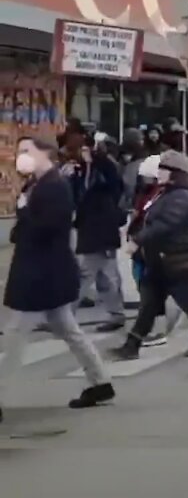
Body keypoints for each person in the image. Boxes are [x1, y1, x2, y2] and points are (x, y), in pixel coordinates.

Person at [1, 137, 116, 422]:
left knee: (14, 337)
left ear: (46, 154)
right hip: (43, 272)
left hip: (41, 275)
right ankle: (100, 383)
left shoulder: (55, 186)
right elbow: (24, 229)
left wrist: (25, 213)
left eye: (27, 151)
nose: (21, 156)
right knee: (69, 330)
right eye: (20, 151)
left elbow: (47, 227)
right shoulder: (37, 185)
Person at [110, 150, 188, 361]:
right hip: (159, 259)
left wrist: (138, 239)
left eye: (163, 169)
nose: (158, 173)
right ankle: (132, 345)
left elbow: (165, 224)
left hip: (175, 258)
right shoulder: (166, 192)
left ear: (176, 173)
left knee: (186, 300)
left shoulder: (181, 196)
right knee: (148, 304)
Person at [70, 133, 127, 331]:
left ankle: (65, 317)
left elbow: (115, 186)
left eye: (87, 149)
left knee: (86, 274)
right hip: (91, 228)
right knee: (104, 276)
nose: (84, 153)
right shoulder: (81, 171)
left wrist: (98, 156)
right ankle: (117, 314)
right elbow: (77, 196)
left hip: (102, 229)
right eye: (82, 150)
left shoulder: (104, 168)